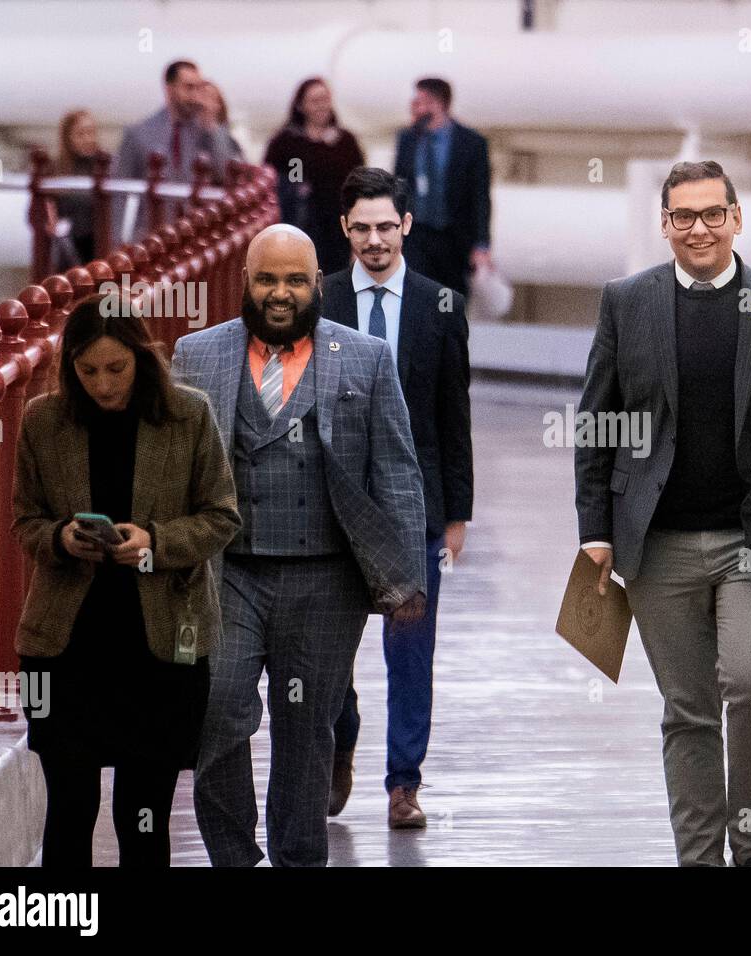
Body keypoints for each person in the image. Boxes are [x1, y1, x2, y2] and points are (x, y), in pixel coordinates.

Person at [574, 160, 751, 866]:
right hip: (657, 544)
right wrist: (596, 533)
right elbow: (597, 424)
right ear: (664, 225)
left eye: (712, 214)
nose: (699, 228)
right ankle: (699, 859)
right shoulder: (626, 302)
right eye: (683, 217)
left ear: (737, 218)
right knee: (689, 712)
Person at [170, 223, 428, 867]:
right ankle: (233, 855)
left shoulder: (366, 358)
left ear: (317, 284)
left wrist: (406, 580)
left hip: (327, 579)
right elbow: (171, 473)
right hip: (227, 575)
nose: (279, 293)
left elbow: (395, 470)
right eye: (265, 279)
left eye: (293, 280)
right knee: (219, 710)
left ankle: (298, 858)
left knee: (307, 730)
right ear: (245, 282)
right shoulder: (195, 354)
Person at [11, 293, 240, 866]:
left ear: (142, 359)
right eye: (87, 371)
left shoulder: (189, 415)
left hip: (160, 648)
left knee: (143, 815)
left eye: (117, 368)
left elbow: (221, 518)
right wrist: (62, 537)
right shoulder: (42, 419)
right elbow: (25, 521)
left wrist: (155, 544)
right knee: (68, 806)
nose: (104, 385)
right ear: (69, 368)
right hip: (64, 649)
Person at [321, 168, 473, 827]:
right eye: (362, 228)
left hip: (416, 510)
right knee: (326, 645)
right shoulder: (319, 299)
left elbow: (452, 412)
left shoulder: (441, 305)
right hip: (333, 503)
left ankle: (403, 783)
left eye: (387, 226)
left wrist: (457, 512)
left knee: (410, 649)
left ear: (406, 225)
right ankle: (341, 735)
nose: (376, 240)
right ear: (344, 229)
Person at [112, 60, 241, 236]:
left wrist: (212, 129)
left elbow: (228, 173)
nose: (195, 96)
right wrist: (120, 239)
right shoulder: (139, 134)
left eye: (198, 88)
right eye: (189, 88)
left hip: (198, 234)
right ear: (170, 89)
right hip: (152, 236)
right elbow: (119, 192)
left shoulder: (207, 132)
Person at [394, 77, 491, 295]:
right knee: (417, 297)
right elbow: (398, 188)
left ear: (437, 104)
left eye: (419, 102)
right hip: (417, 235)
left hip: (454, 237)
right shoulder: (408, 139)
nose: (414, 108)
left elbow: (480, 197)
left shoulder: (471, 143)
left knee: (450, 301)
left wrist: (482, 244)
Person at [264, 77, 366, 276]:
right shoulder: (287, 142)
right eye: (315, 100)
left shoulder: (345, 142)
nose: (321, 106)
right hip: (299, 227)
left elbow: (359, 186)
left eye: (325, 99)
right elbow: (276, 183)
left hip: (338, 232)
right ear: (301, 105)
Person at [51, 109, 102, 267]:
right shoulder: (57, 170)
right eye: (81, 134)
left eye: (91, 132)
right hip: (68, 250)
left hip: (99, 247)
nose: (88, 139)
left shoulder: (104, 166)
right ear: (68, 138)